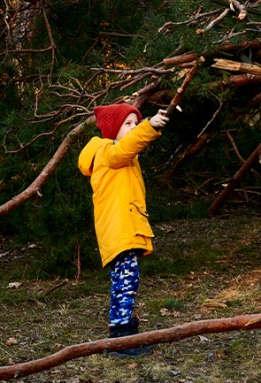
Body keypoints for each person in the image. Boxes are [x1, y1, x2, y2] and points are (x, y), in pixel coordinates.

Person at [78, 103, 169, 357]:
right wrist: (148, 127)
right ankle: (120, 338)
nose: (134, 128)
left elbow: (130, 147)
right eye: (128, 124)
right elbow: (126, 148)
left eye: (135, 123)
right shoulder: (108, 152)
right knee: (126, 281)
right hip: (118, 229)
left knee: (125, 281)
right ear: (112, 130)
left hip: (122, 227)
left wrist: (144, 128)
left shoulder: (119, 155)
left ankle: (125, 329)